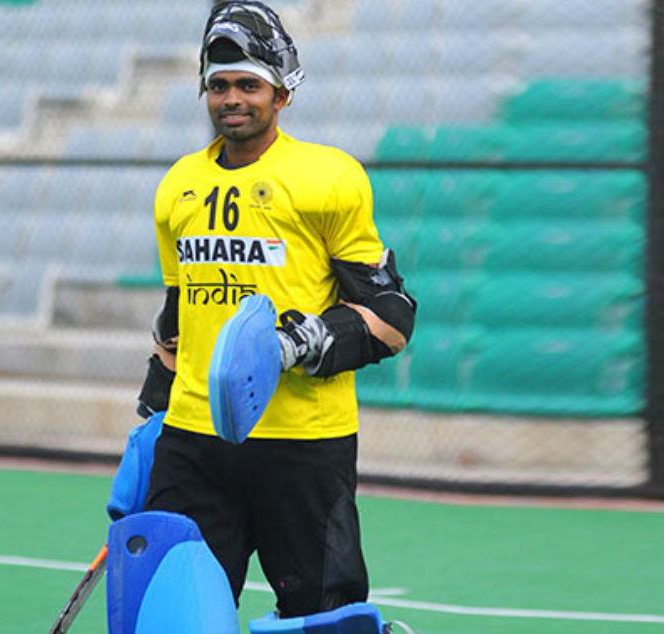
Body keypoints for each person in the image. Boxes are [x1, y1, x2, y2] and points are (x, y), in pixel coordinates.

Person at [134, 0, 417, 620]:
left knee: (323, 618)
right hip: (193, 440)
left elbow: (392, 317)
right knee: (172, 614)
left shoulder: (328, 177)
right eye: (219, 85)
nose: (231, 98)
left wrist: (300, 343)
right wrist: (151, 417)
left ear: (282, 93)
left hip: (302, 444)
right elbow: (177, 315)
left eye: (248, 85)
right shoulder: (177, 185)